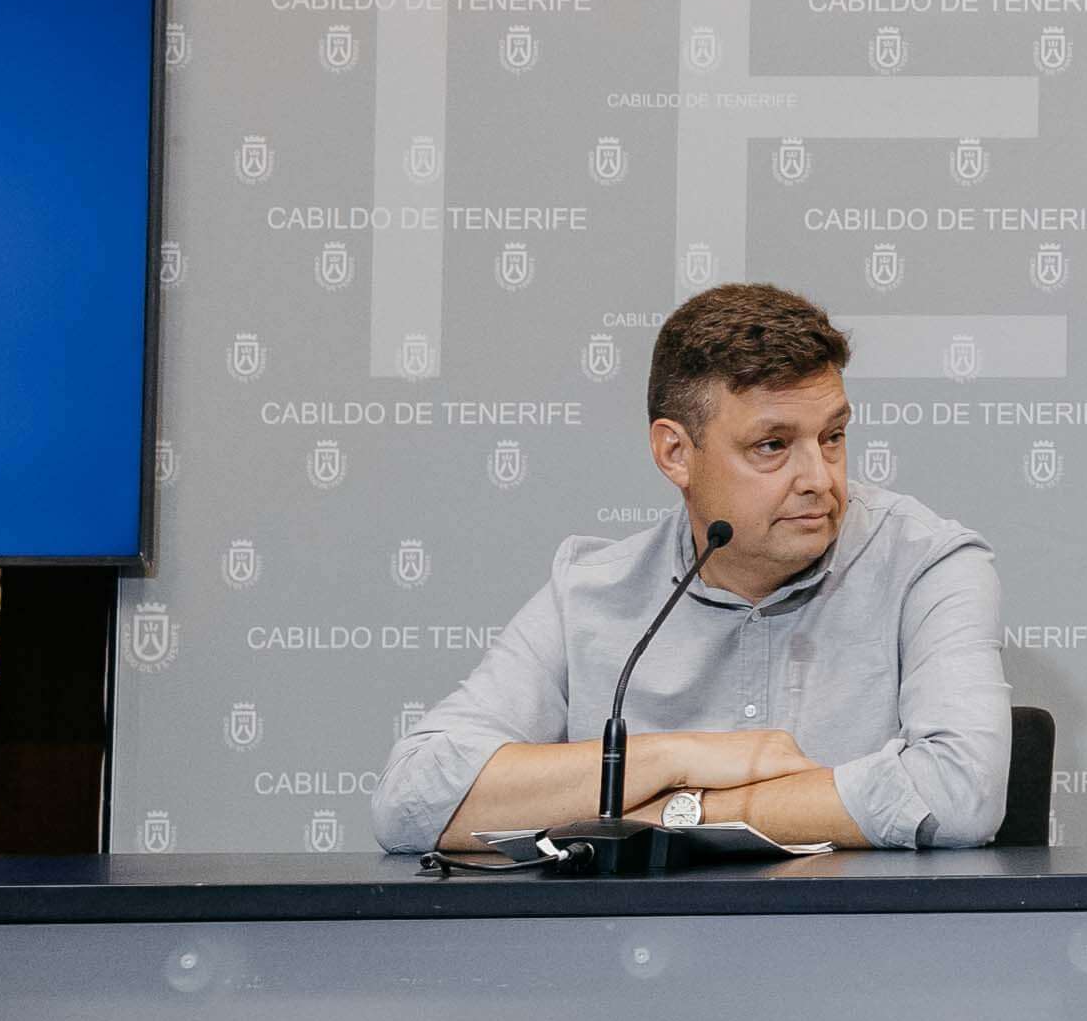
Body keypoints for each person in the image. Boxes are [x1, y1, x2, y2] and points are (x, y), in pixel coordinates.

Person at [374, 283, 1013, 854]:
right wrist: (680, 757)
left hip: (856, 943)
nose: (819, 479)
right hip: (634, 948)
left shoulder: (928, 564)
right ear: (675, 452)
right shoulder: (590, 592)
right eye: (772, 446)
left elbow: (959, 792)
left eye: (832, 437)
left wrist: (669, 815)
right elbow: (410, 798)